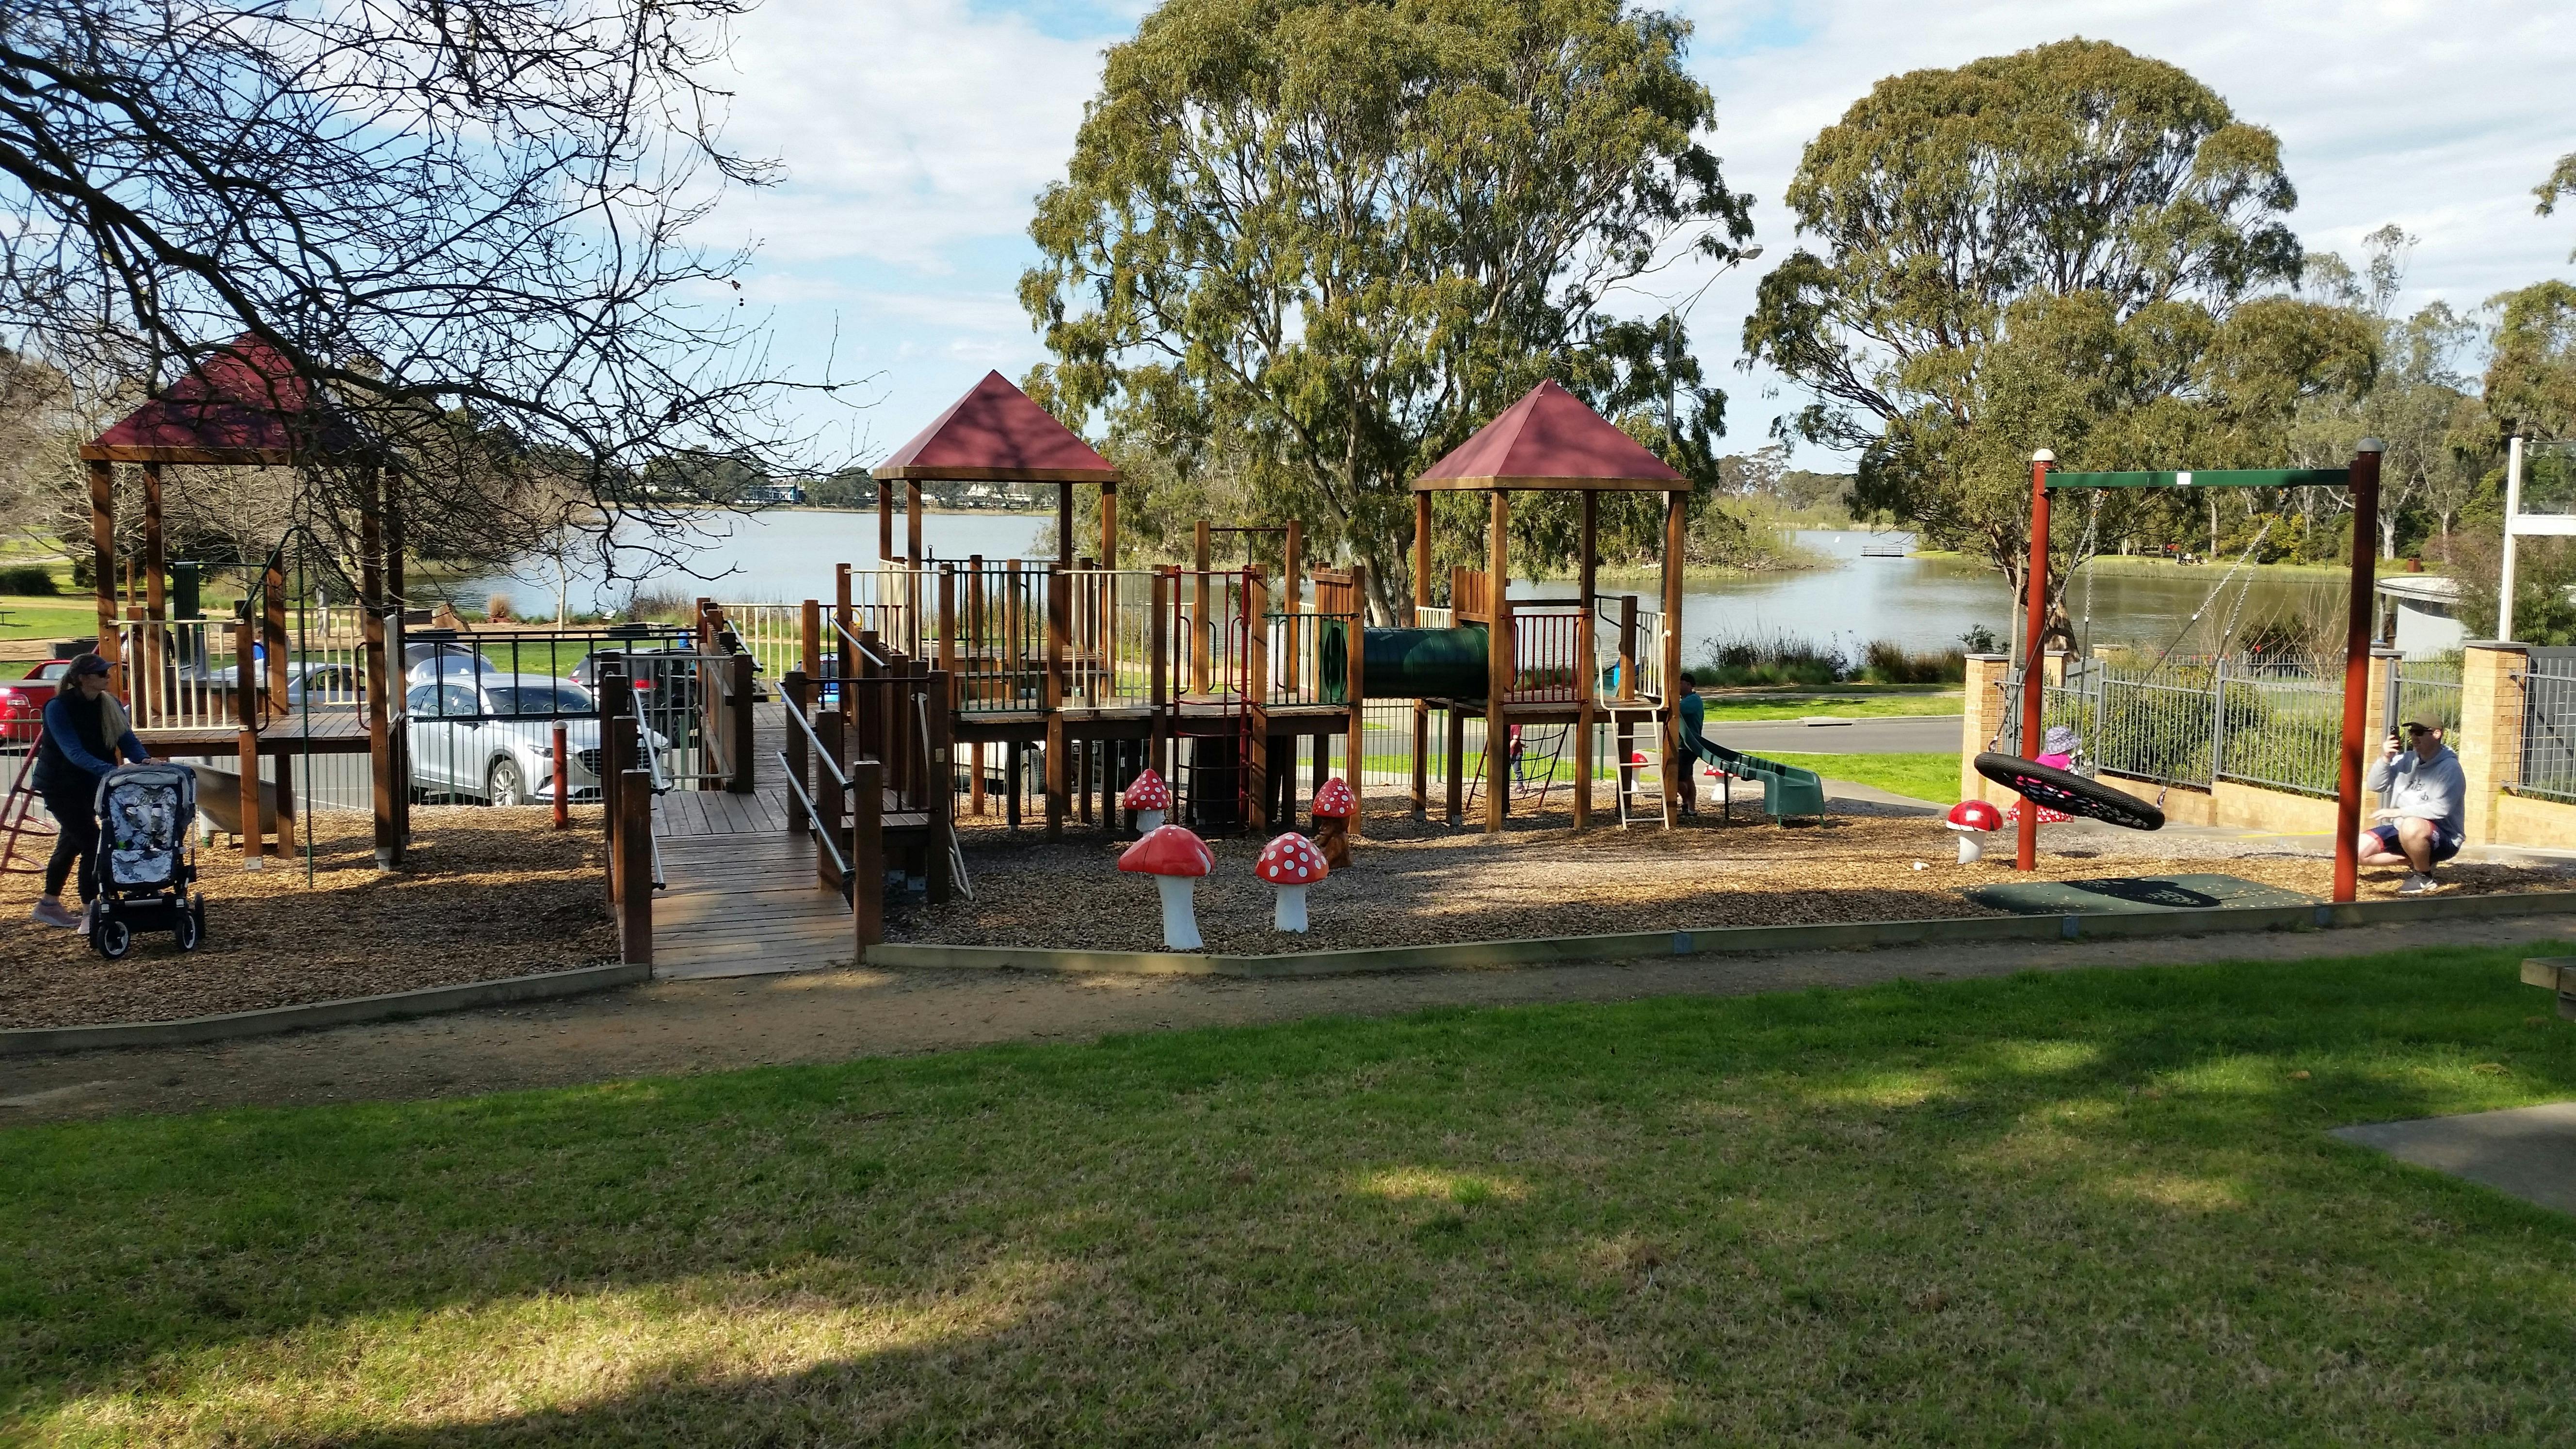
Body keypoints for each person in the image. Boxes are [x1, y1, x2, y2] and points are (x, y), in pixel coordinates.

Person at [30, 653, 150, 930]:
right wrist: (110, 770)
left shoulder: (110, 704)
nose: (108, 677)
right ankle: (89, 912)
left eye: (108, 672)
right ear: (82, 678)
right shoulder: (58, 708)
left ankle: (49, 904)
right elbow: (73, 752)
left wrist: (144, 760)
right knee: (93, 843)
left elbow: (127, 739)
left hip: (90, 783)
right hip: (60, 785)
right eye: (101, 673)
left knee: (71, 841)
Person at [2360, 721, 2464, 896]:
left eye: (2419, 732)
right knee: (2357, 851)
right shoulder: (2405, 760)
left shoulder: (2450, 768)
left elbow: (2442, 809)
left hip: (2443, 837)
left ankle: (2424, 877)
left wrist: (2399, 812)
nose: (2414, 737)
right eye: (2412, 732)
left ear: (2436, 734)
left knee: (2411, 825)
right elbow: (2375, 786)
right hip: (2403, 829)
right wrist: (2386, 759)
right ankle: (2417, 858)